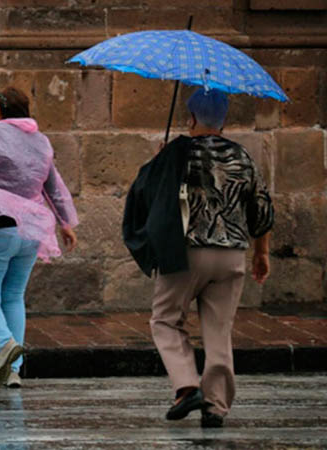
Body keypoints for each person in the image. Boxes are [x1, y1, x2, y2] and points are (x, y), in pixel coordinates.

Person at [123, 88, 274, 428]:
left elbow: (144, 195)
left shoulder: (177, 152)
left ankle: (186, 385)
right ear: (223, 121)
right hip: (231, 255)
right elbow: (262, 211)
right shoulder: (242, 157)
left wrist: (158, 160)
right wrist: (261, 255)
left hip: (186, 252)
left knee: (165, 319)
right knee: (219, 330)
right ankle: (215, 406)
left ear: (190, 118)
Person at [0, 87, 78, 388]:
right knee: (13, 296)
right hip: (32, 229)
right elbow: (53, 186)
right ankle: (14, 369)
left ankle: (6, 344)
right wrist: (65, 223)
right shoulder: (41, 141)